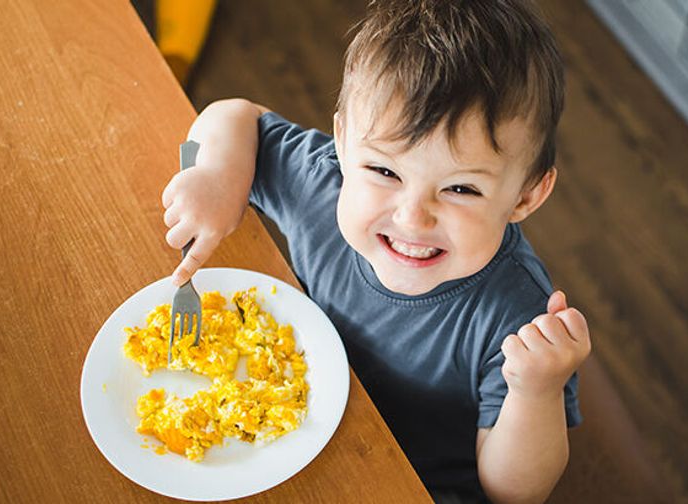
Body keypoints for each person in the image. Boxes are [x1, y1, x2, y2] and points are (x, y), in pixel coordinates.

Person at [160, 0, 591, 501]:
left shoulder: (516, 316)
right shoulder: (324, 183)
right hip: (294, 432)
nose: (412, 217)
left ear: (525, 196)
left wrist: (535, 391)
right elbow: (235, 115)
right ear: (342, 142)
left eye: (461, 189)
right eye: (385, 172)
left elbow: (514, 493)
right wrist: (217, 175)